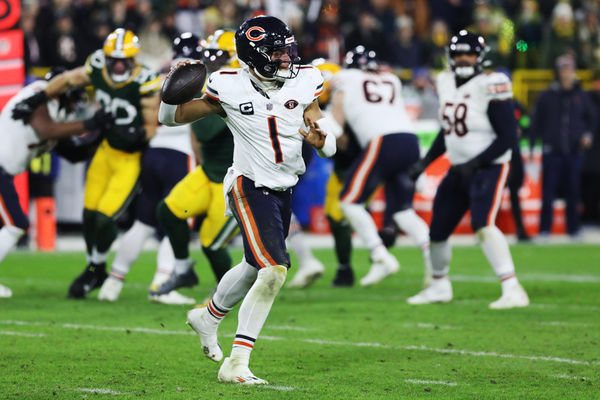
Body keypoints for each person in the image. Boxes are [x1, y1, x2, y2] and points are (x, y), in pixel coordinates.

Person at [158, 15, 336, 384]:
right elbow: (173, 118)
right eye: (277, 53)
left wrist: (325, 143)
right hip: (248, 184)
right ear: (254, 57)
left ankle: (207, 317)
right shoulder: (228, 86)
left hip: (284, 187)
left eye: (287, 50)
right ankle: (236, 363)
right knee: (274, 271)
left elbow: (321, 124)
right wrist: (168, 93)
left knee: (255, 267)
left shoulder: (305, 78)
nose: (287, 59)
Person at [407, 30, 529, 309]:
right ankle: (439, 286)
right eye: (458, 52)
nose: (463, 58)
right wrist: (425, 163)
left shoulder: (491, 83)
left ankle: (512, 287)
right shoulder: (446, 81)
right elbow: (448, 131)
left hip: (490, 167)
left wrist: (476, 163)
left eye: (469, 53)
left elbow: (508, 136)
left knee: (482, 224)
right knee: (437, 230)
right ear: (450, 56)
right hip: (460, 168)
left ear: (479, 56)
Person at [40, 28, 160, 299]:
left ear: (134, 60)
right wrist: (40, 96)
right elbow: (69, 79)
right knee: (88, 215)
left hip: (129, 157)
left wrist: (138, 135)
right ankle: (95, 267)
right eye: (113, 60)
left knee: (106, 217)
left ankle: (96, 266)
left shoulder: (144, 80)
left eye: (124, 60)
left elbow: (151, 127)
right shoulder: (96, 65)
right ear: (105, 57)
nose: (118, 65)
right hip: (105, 151)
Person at [97, 32, 206, 305]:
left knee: (143, 222)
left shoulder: (159, 73)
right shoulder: (199, 75)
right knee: (177, 221)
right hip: (180, 154)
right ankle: (162, 282)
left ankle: (113, 281)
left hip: (153, 151)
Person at [0, 69, 114, 298]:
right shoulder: (36, 95)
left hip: (5, 173)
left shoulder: (57, 113)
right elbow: (46, 129)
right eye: (73, 96)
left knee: (13, 225)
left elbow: (74, 153)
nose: (75, 104)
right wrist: (91, 123)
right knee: (16, 224)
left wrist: (103, 133)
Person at [148, 30, 241, 300]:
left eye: (218, 56)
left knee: (212, 244)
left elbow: (206, 131)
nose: (211, 62)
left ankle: (226, 293)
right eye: (208, 55)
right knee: (168, 211)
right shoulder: (217, 83)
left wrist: (187, 94)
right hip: (210, 171)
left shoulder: (238, 87)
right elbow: (189, 130)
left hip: (236, 178)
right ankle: (182, 268)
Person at [330, 46, 432, 287]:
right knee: (402, 211)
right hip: (410, 140)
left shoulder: (346, 79)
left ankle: (379, 255)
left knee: (348, 201)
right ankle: (434, 264)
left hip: (382, 142)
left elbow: (336, 126)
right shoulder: (392, 79)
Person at [530, 54, 595, 240]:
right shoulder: (547, 96)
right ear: (557, 72)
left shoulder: (581, 96)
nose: (566, 72)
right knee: (548, 192)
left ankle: (573, 229)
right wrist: (535, 147)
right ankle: (544, 230)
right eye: (563, 69)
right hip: (552, 150)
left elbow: (592, 120)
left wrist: (587, 135)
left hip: (574, 151)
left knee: (573, 191)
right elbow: (536, 123)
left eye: (568, 68)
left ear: (573, 71)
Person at [312, 59, 358, 287]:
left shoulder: (346, 106)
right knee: (333, 217)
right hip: (341, 171)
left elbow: (344, 143)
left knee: (340, 218)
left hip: (354, 171)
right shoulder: (330, 107)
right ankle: (344, 268)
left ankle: (350, 268)